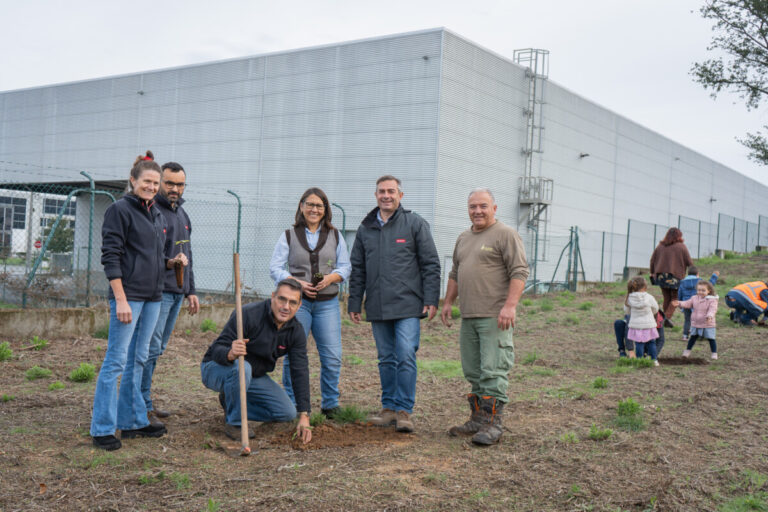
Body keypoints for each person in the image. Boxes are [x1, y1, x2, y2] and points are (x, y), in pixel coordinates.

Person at [91, 151, 181, 451]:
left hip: (154, 297)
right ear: (133, 180)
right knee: (115, 361)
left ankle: (132, 423)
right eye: (147, 181)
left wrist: (171, 263)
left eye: (156, 182)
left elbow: (149, 257)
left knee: (138, 359)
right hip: (128, 298)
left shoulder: (155, 212)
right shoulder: (120, 210)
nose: (152, 187)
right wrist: (121, 300)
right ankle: (102, 427)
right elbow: (111, 257)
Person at [348, 175, 440, 433]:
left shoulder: (415, 224)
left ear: (401, 195)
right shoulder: (366, 229)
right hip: (377, 305)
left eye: (391, 191)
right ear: (375, 195)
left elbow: (431, 264)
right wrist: (355, 301)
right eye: (381, 191)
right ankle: (388, 408)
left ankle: (404, 411)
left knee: (405, 355)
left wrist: (431, 298)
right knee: (386, 359)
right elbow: (358, 269)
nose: (386, 195)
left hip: (408, 305)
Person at [440, 188, 528, 446]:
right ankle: (478, 419)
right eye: (473, 207)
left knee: (493, 369)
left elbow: (520, 271)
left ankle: (493, 423)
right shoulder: (464, 237)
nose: (477, 211)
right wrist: (448, 302)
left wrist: (510, 306)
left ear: (494, 208)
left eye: (483, 206)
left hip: (495, 315)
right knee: (474, 370)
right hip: (469, 315)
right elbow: (455, 272)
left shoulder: (506, 235)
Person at [269, 187, 351, 418]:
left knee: (332, 355)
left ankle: (330, 404)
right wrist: (296, 282)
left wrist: (331, 278)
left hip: (328, 304)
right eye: (310, 204)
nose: (314, 209)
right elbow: (275, 268)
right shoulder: (289, 235)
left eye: (319, 205)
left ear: (325, 210)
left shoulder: (335, 236)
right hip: (298, 305)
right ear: (301, 207)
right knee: (294, 353)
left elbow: (345, 266)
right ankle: (292, 404)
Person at [200, 279, 312, 444]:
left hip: (253, 375)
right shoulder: (248, 314)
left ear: (299, 305)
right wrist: (230, 353)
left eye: (292, 302)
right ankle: (235, 424)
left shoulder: (295, 331)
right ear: (273, 296)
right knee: (242, 367)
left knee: (287, 413)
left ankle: (230, 403)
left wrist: (304, 414)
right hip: (218, 368)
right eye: (282, 299)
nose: (286, 306)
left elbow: (300, 371)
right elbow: (217, 349)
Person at [142, 161, 200, 426]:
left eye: (180, 184)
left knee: (158, 348)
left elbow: (187, 255)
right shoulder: (154, 212)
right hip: (159, 292)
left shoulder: (183, 215)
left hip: (177, 293)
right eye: (169, 183)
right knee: (149, 349)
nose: (175, 189)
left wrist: (191, 291)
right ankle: (141, 404)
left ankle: (145, 401)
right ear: (160, 182)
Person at [649, 227, 693, 327]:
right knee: (675, 298)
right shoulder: (681, 247)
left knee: (666, 298)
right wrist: (693, 274)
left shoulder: (660, 246)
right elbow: (690, 262)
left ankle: (664, 320)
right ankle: (665, 318)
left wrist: (652, 272)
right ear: (679, 236)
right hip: (675, 276)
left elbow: (652, 260)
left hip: (660, 276)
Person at [673, 280, 719, 359]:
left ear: (709, 291)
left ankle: (714, 353)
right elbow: (688, 303)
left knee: (711, 338)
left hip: (707, 323)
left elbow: (712, 309)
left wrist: (710, 316)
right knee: (693, 337)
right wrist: (679, 303)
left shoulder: (712, 300)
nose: (700, 292)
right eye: (699, 290)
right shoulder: (694, 298)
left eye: (703, 290)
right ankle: (687, 351)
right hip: (696, 323)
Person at [624, 276, 660, 366]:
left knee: (639, 343)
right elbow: (656, 308)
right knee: (651, 342)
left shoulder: (629, 298)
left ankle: (639, 360)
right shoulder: (649, 297)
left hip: (636, 325)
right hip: (649, 324)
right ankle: (654, 360)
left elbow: (627, 311)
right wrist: (651, 313)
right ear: (644, 287)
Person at [677, 266, 719, 341]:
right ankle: (700, 335)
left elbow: (679, 293)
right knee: (699, 320)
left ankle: (685, 336)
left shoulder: (682, 283)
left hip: (686, 304)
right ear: (697, 274)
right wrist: (714, 276)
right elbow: (710, 284)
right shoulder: (700, 282)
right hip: (698, 304)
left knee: (687, 320)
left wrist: (680, 303)